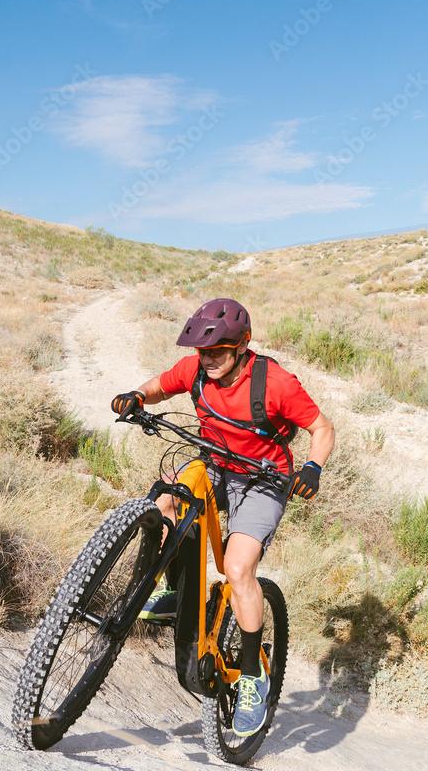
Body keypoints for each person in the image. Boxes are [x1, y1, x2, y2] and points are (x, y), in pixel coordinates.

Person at [111, 297, 335, 737]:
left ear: (241, 345)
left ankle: (253, 675)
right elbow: (159, 385)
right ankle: (175, 591)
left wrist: (313, 467)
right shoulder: (195, 369)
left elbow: (322, 429)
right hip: (215, 463)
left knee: (237, 569)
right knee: (167, 500)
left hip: (264, 479)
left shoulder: (275, 383)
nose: (208, 360)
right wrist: (138, 395)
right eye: (203, 352)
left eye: (218, 351)